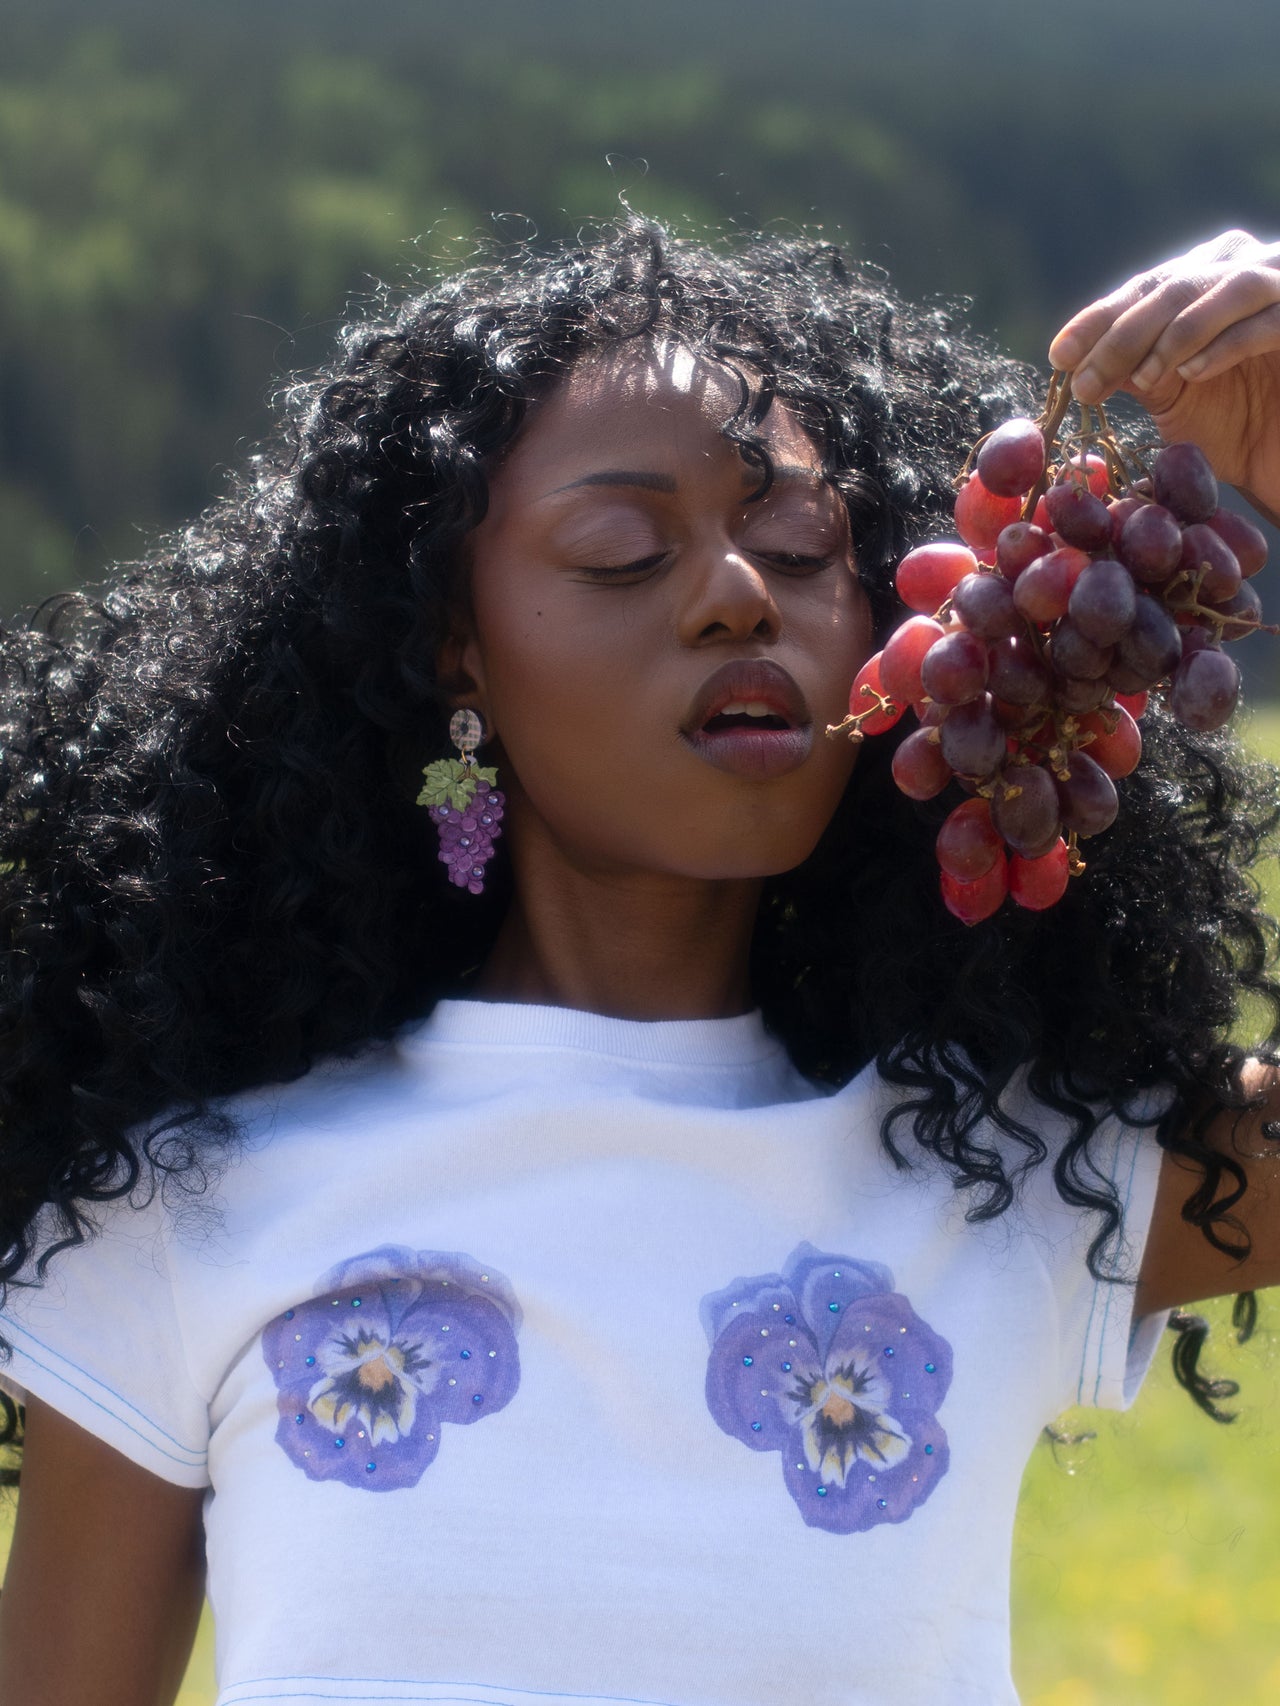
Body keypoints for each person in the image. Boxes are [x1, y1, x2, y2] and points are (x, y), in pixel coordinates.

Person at [0, 217, 1278, 1706]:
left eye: (800, 549)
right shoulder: (191, 1202)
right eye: (622, 552)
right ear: (455, 647)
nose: (741, 593)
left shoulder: (1000, 1178)